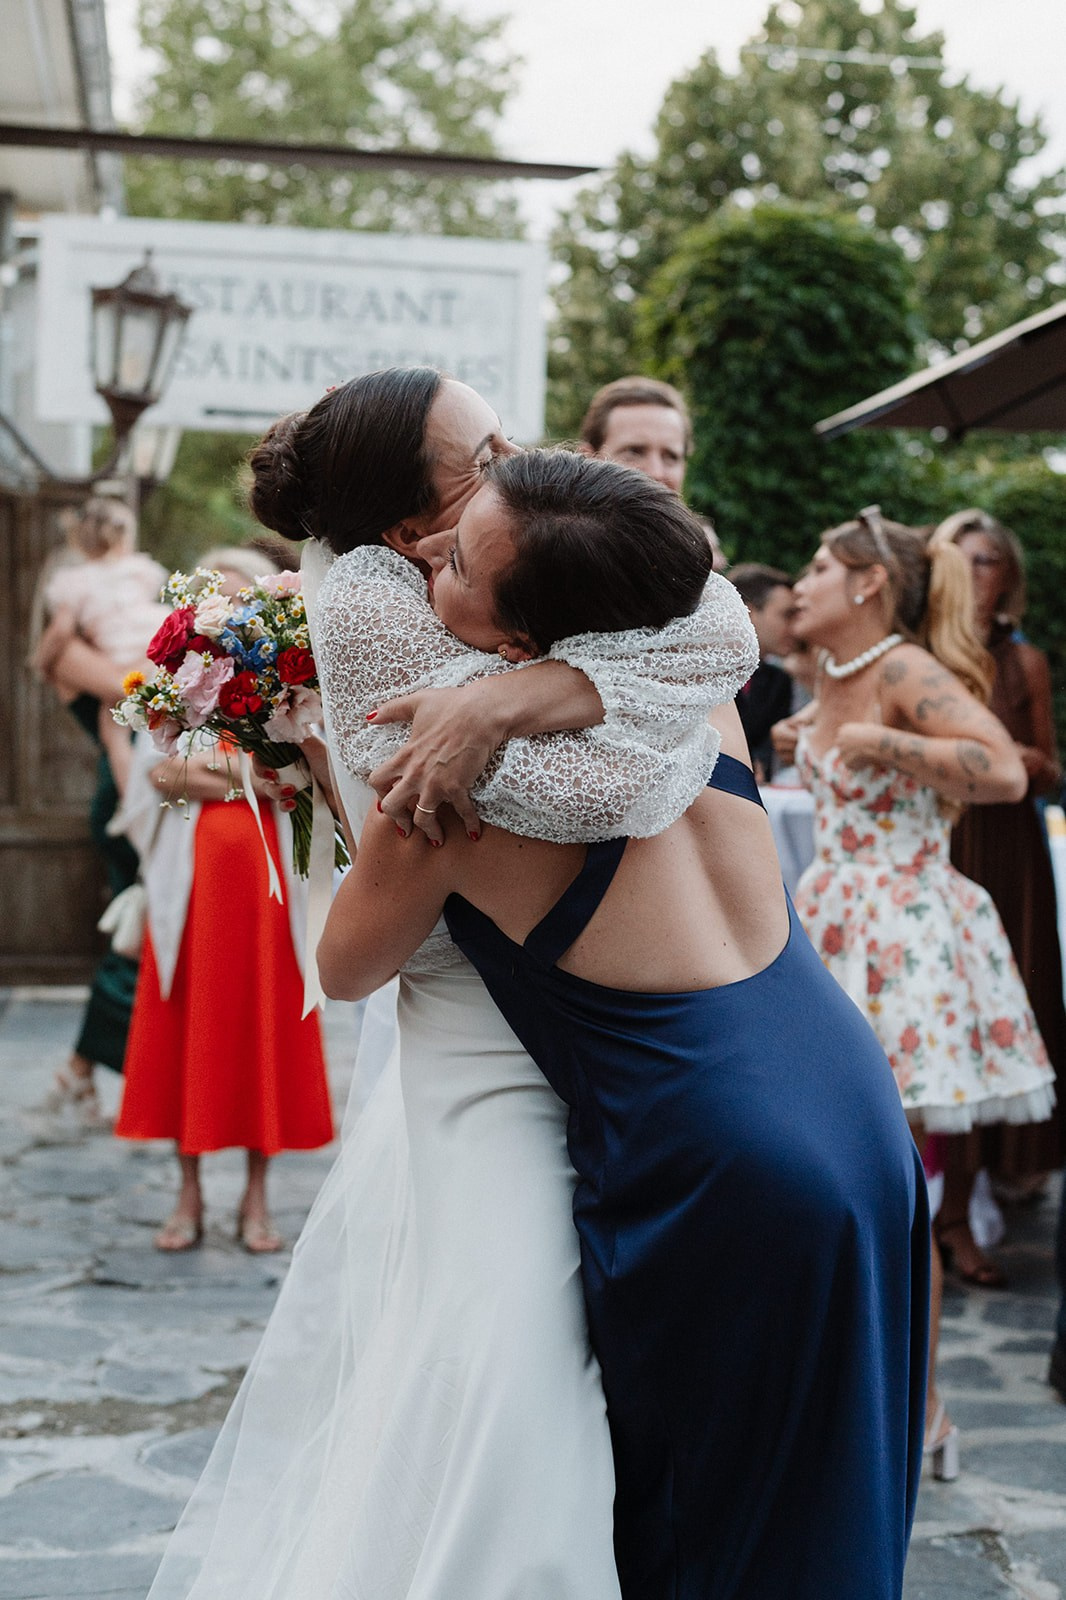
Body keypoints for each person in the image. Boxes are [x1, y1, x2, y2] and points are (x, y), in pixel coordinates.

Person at [143, 368, 755, 1600]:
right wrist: (352, 758)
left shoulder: (536, 585)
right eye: (483, 457)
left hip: (615, 1049)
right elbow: (371, 940)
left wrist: (529, 690)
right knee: (512, 1370)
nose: (516, 462)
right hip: (491, 1056)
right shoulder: (387, 623)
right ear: (405, 532)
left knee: (553, 1362)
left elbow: (720, 622)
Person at [318, 449, 929, 1600]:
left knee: (704, 1532)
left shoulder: (447, 799)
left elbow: (347, 968)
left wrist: (335, 772)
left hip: (721, 1166)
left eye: (450, 562)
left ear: (517, 644)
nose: (420, 561)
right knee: (826, 1518)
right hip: (856, 1115)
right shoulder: (701, 698)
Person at [780, 505, 1056, 1479]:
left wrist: (876, 746)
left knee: (902, 1181)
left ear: (865, 583)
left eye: (819, 563)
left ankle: (923, 1407)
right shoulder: (830, 669)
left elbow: (997, 769)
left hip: (903, 939)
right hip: (831, 925)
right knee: (837, 1173)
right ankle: (843, 1384)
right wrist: (809, 735)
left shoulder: (900, 667)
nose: (800, 581)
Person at [113, 548, 333, 1253]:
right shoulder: (175, 689)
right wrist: (245, 777)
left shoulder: (286, 689)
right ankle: (188, 1192)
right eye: (219, 605)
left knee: (261, 1026)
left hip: (268, 892)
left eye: (243, 605)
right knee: (190, 1031)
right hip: (195, 886)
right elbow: (160, 776)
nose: (230, 619)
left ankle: (256, 1197)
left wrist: (225, 771)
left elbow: (301, 774)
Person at [935, 510, 1066, 1286]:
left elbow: (1050, 768)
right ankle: (947, 1211)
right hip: (945, 838)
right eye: (958, 557)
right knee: (947, 1009)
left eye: (985, 559)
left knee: (1007, 1001)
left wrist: (1019, 759)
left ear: (1007, 573)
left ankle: (994, 1179)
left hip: (1007, 846)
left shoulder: (1026, 664)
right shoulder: (916, 656)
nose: (972, 572)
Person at [34, 497, 170, 797]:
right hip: (154, 637)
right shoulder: (140, 569)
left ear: (80, 542)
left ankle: (133, 805)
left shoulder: (74, 580)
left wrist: (40, 663)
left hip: (122, 654)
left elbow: (60, 630)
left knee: (113, 722)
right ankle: (134, 802)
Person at [728, 562, 795, 779]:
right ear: (749, 613)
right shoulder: (703, 673)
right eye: (786, 615)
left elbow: (767, 749)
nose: (794, 627)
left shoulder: (780, 682)